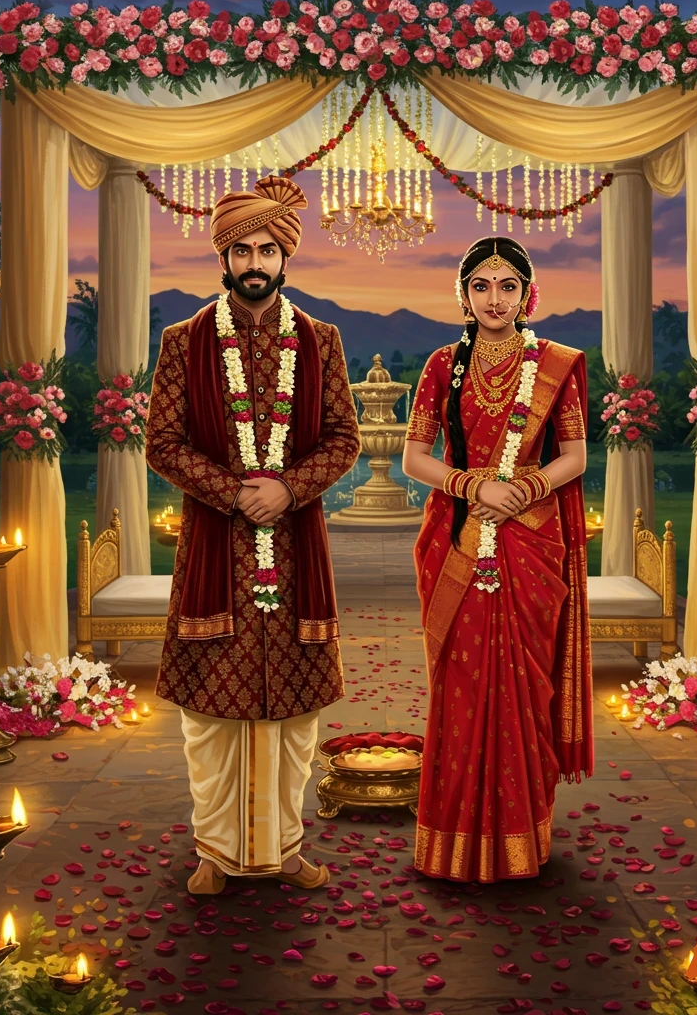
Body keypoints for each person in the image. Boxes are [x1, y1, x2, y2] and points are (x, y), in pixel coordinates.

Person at [146, 174, 361, 895]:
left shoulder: (322, 340)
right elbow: (163, 444)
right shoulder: (185, 342)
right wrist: (238, 494)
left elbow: (343, 438)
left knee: (295, 713)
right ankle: (215, 852)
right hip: (215, 551)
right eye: (242, 250)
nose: (255, 262)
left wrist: (290, 489)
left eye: (267, 247)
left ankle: (286, 850)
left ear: (286, 255)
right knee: (211, 712)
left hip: (296, 555)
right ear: (224, 258)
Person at [402, 236, 594, 883]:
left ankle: (521, 836)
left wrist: (521, 492)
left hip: (529, 540)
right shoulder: (439, 365)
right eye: (480, 285)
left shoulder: (555, 365)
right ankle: (451, 842)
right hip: (457, 535)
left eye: (506, 285)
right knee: (459, 688)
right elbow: (414, 458)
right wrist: (471, 486)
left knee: (525, 690)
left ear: (526, 293)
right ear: (463, 294)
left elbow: (574, 455)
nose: (493, 298)